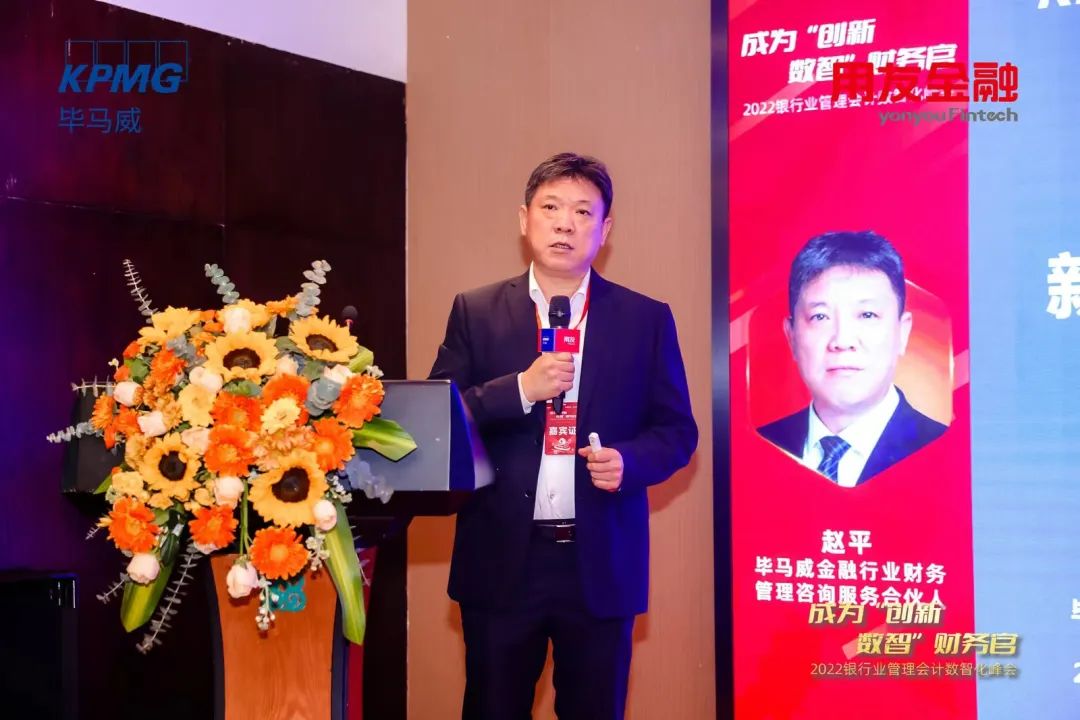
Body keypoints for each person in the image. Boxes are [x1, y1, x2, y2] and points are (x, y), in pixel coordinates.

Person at [429, 152, 697, 719]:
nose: (565, 224)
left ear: (605, 228)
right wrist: (519, 389)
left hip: (600, 562)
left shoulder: (645, 319)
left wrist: (629, 462)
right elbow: (439, 421)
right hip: (502, 559)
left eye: (582, 211)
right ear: (524, 219)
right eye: (551, 208)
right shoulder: (476, 311)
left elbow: (677, 431)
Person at [758, 231, 947, 487]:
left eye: (867, 315)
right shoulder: (758, 449)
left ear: (902, 333)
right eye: (820, 317)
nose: (842, 341)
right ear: (791, 337)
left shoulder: (945, 452)